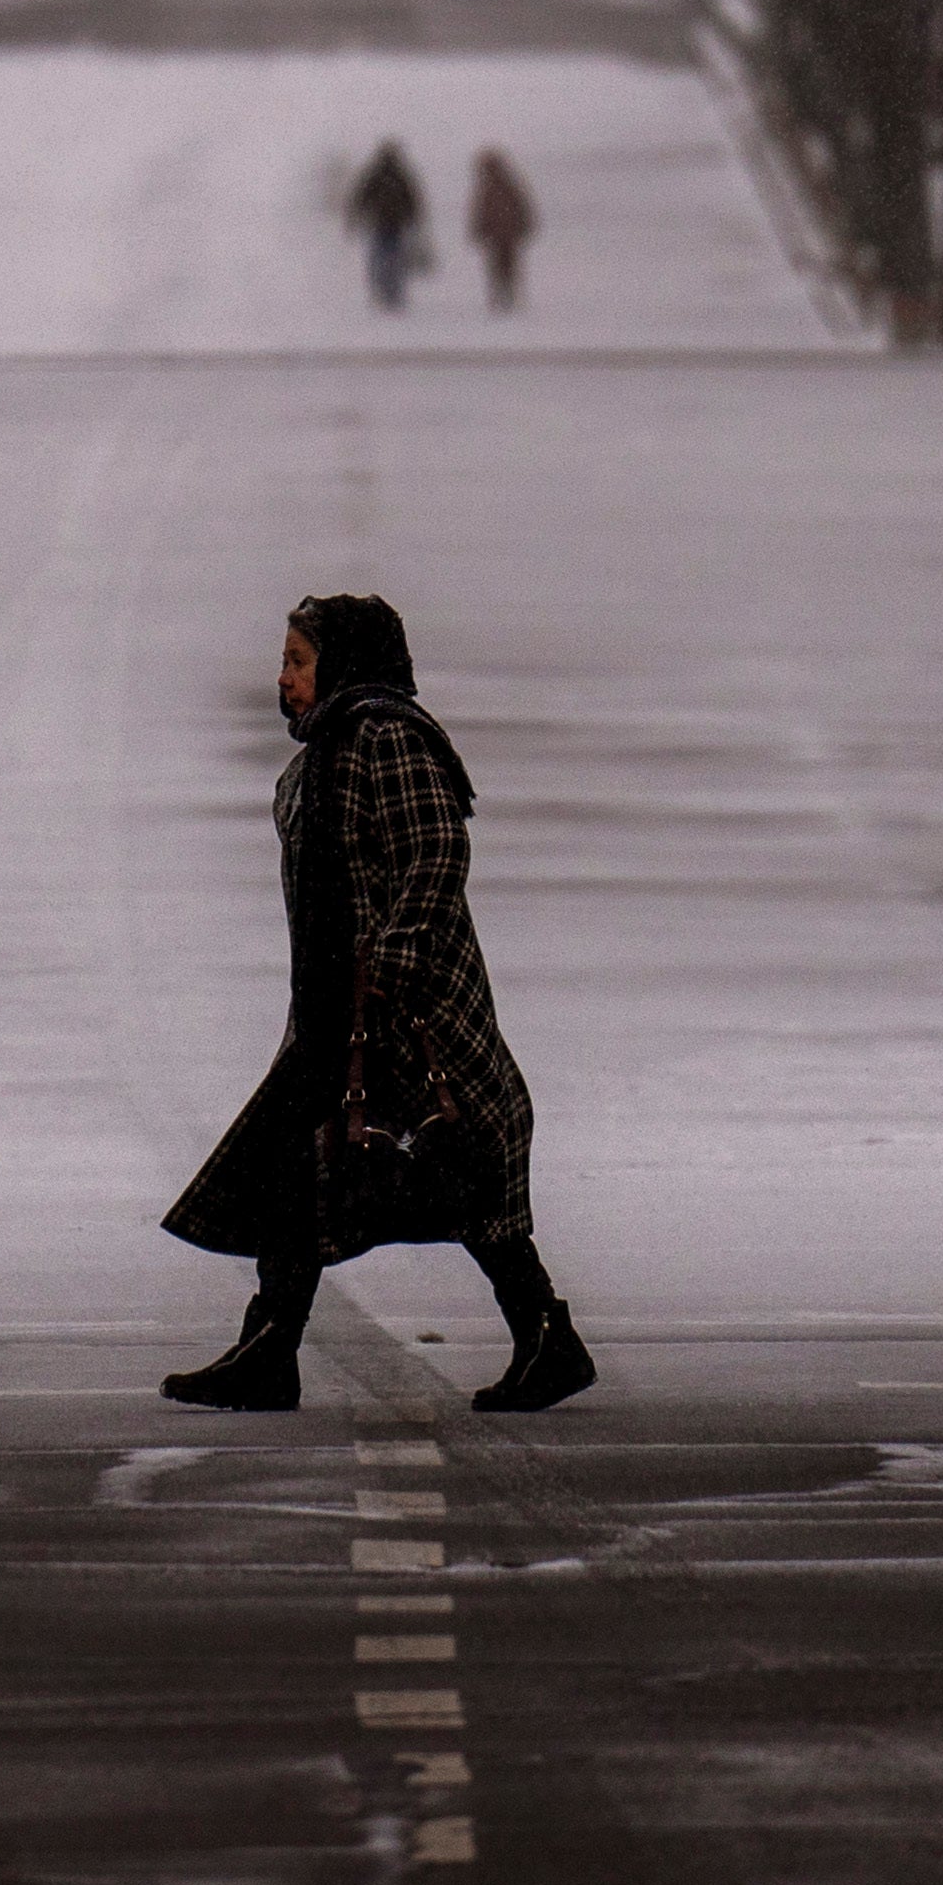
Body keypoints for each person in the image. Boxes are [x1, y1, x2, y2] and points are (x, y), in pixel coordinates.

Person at [160, 592, 594, 1415]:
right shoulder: (328, 750)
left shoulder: (384, 737)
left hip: (408, 1010)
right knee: (300, 1170)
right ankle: (272, 1347)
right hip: (338, 1012)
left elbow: (436, 847)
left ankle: (545, 1336)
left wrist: (392, 958)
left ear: (342, 662)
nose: (282, 677)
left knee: (460, 1169)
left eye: (296, 659)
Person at [346, 140, 427, 311]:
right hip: (391, 223)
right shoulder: (397, 176)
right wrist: (415, 220)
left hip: (383, 223)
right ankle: (390, 292)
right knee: (391, 259)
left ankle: (384, 291)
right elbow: (412, 200)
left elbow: (360, 197)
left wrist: (354, 217)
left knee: (382, 258)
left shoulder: (378, 175)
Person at [464, 148, 535, 312]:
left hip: (505, 234)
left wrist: (477, 229)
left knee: (504, 266)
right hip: (500, 234)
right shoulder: (495, 187)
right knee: (500, 266)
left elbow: (520, 207)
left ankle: (506, 295)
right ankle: (502, 295)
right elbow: (481, 212)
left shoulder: (499, 187)